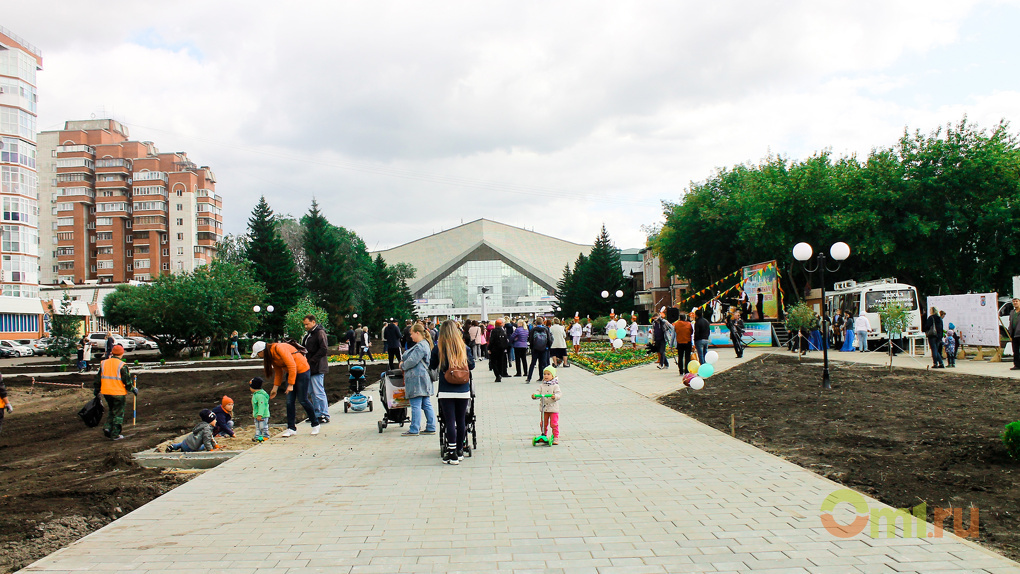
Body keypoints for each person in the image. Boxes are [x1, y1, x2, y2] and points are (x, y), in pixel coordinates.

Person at [251, 340, 319, 437]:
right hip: (291, 373)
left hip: (302, 371)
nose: (259, 357)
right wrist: (275, 388)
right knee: (289, 401)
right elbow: (279, 371)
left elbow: (292, 365)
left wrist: (291, 384)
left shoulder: (279, 348)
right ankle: (291, 428)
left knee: (302, 399)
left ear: (261, 351)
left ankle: (315, 424)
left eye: (258, 354)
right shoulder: (272, 355)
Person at [430, 320, 475, 464]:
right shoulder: (464, 348)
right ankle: (460, 450)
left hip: (446, 389)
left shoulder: (439, 348)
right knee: (461, 419)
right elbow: (472, 365)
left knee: (449, 421)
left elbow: (432, 365)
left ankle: (451, 452)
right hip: (463, 389)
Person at [399, 323, 437, 436]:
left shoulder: (420, 346)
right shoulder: (425, 344)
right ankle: (431, 426)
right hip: (422, 378)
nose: (410, 336)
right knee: (425, 403)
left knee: (415, 403)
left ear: (417, 333)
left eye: (411, 334)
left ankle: (414, 428)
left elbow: (412, 360)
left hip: (417, 379)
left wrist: (402, 365)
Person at [93, 345, 136, 440]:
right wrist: (133, 389)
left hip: (106, 392)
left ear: (112, 353)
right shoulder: (122, 365)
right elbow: (127, 381)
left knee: (112, 411)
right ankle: (115, 434)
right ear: (122, 353)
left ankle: (107, 427)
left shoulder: (104, 363)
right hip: (118, 393)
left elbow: (98, 378)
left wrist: (96, 390)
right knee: (118, 413)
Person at [302, 314, 331, 423]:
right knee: (312, 392)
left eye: (307, 324)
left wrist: (312, 360)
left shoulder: (319, 333)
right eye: (304, 325)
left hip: (317, 367)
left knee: (318, 391)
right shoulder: (309, 334)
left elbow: (323, 349)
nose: (305, 326)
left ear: (313, 322)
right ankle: (317, 414)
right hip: (310, 367)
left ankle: (324, 414)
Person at [532, 365, 563, 445]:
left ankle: (556, 437)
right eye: (545, 374)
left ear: (553, 376)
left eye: (548, 374)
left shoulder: (555, 386)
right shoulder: (542, 386)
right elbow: (538, 391)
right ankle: (544, 435)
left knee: (554, 423)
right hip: (544, 408)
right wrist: (535, 395)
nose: (546, 376)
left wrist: (555, 396)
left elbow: (559, 394)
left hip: (553, 409)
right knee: (543, 423)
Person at [527, 318, 551, 382]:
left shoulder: (533, 330)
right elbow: (549, 339)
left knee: (533, 363)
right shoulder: (545, 329)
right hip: (544, 349)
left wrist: (532, 347)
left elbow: (530, 339)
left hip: (535, 349)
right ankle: (544, 377)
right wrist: (548, 347)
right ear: (542, 322)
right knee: (543, 363)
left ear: (536, 323)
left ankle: (529, 378)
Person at [673, 308, 693, 375]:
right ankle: (687, 370)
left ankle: (680, 371)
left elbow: (674, 334)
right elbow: (691, 332)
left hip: (679, 342)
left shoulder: (676, 324)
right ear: (685, 318)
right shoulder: (689, 324)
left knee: (680, 357)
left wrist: (671, 344)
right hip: (687, 342)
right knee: (687, 357)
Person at [250, 377, 270, 442]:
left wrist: (260, 415)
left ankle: (265, 436)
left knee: (263, 426)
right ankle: (258, 436)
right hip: (257, 415)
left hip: (262, 415)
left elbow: (262, 406)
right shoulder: (255, 395)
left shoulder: (260, 396)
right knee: (257, 426)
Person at [1009, 298, 1020, 371]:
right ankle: (1017, 365)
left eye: (1017, 301)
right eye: (1014, 301)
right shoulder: (1012, 312)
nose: (1015, 303)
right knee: (1015, 350)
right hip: (1014, 334)